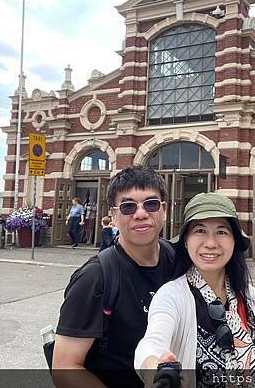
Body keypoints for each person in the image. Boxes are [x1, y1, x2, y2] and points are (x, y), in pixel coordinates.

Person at [52, 166, 176, 388]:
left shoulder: (178, 260)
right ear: (114, 215)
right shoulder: (94, 277)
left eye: (151, 204)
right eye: (128, 207)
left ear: (164, 210)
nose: (141, 213)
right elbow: (65, 369)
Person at [135, 193, 255, 387]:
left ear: (234, 241)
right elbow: (151, 343)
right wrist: (155, 369)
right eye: (200, 231)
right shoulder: (171, 296)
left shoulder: (250, 296)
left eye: (222, 232)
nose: (211, 243)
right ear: (186, 241)